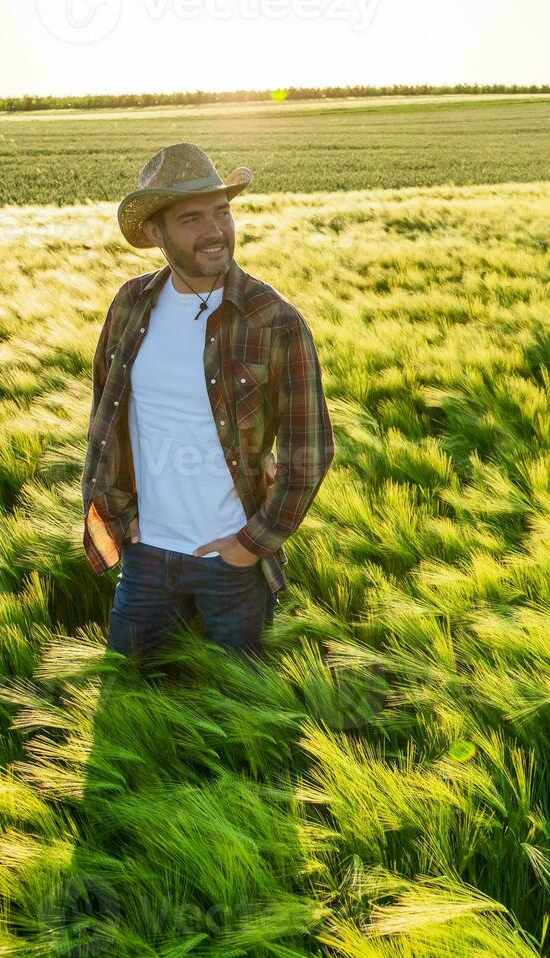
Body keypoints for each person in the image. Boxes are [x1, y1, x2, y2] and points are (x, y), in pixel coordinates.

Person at [81, 142, 336, 667]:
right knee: (127, 704)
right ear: (157, 233)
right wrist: (120, 513)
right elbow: (106, 414)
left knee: (246, 723)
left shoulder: (273, 319)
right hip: (146, 556)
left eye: (222, 212)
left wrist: (252, 543)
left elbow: (310, 447)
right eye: (192, 218)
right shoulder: (131, 304)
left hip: (232, 566)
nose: (215, 230)